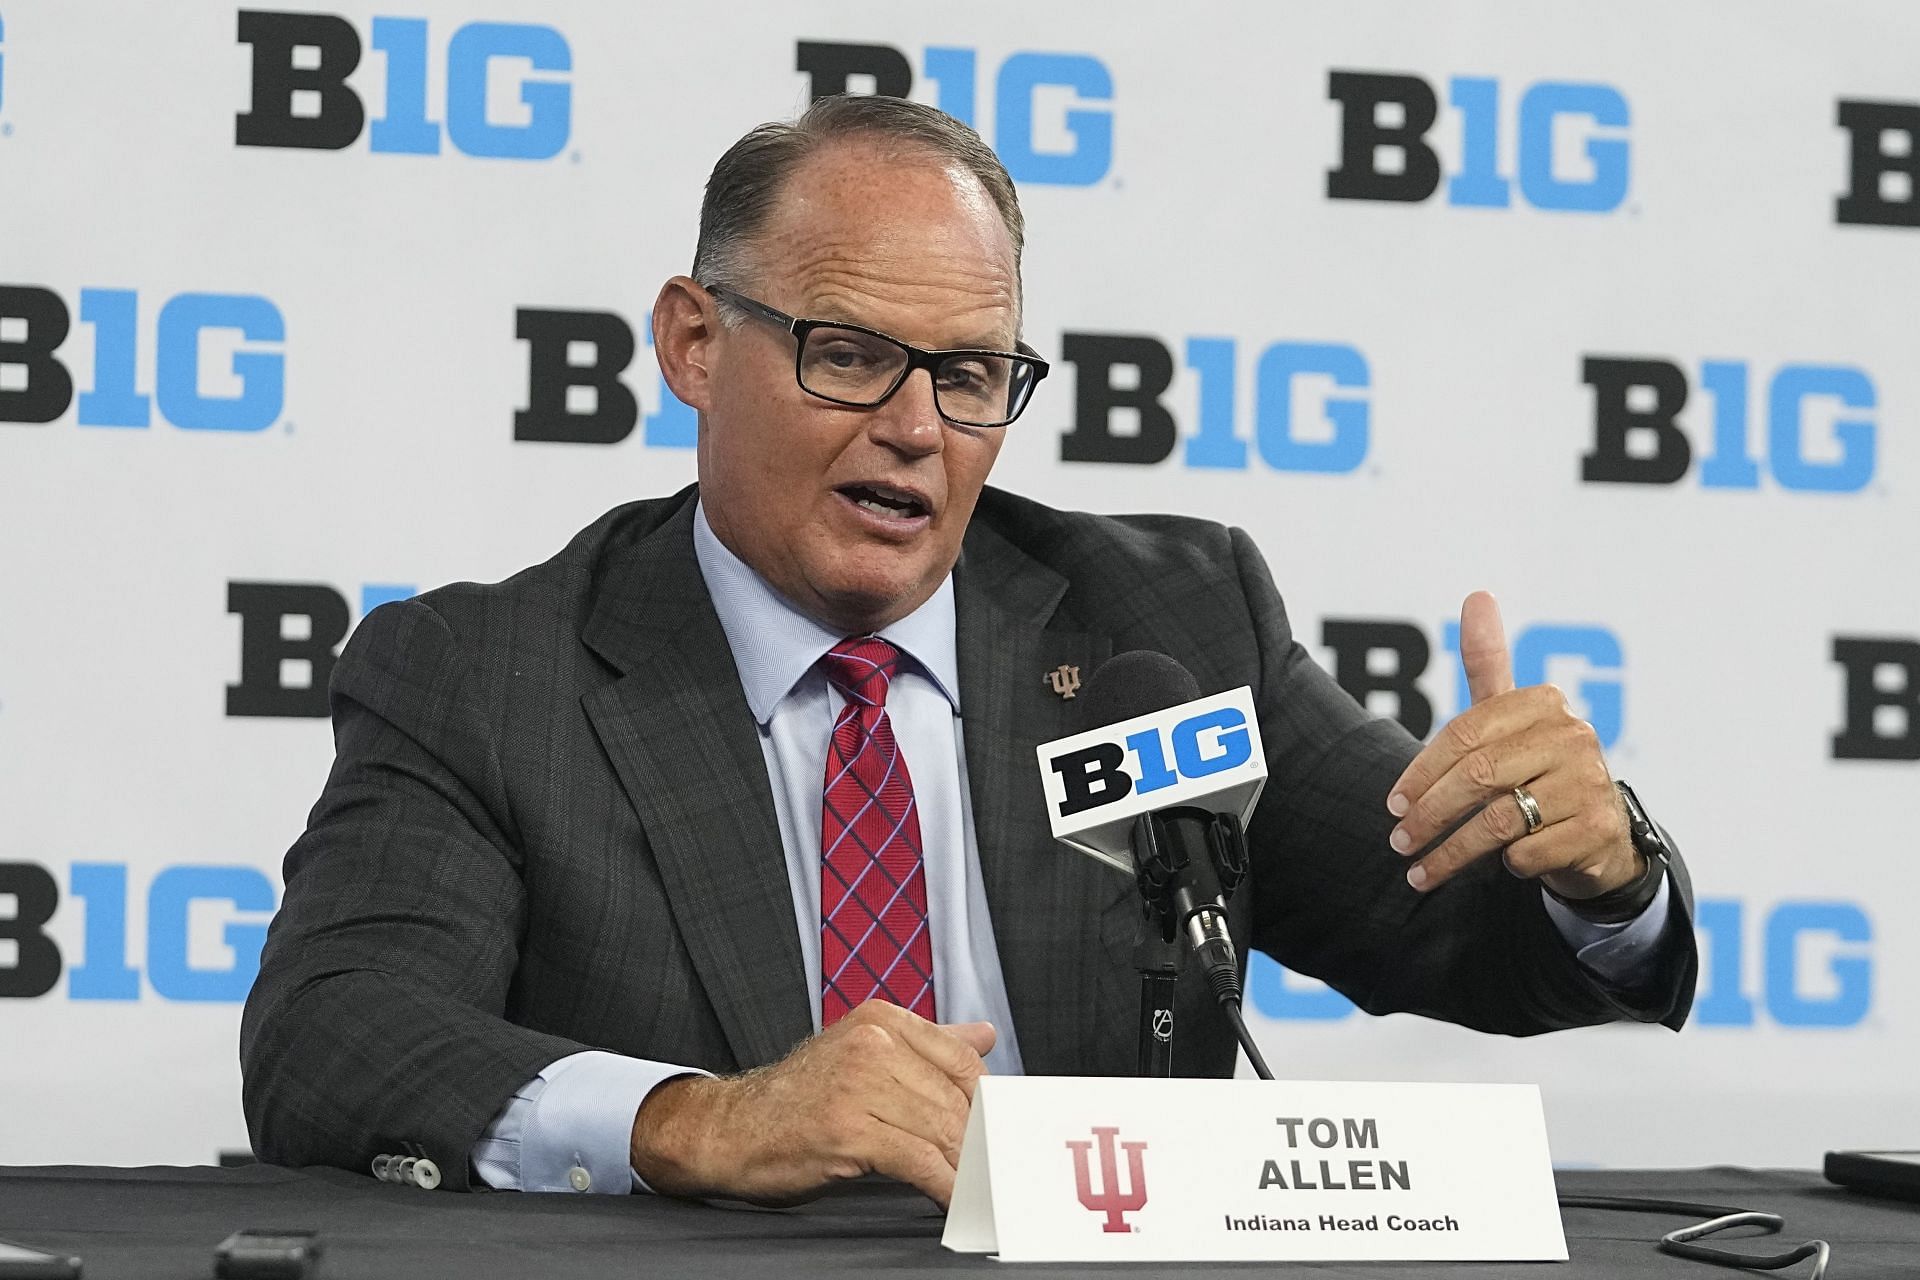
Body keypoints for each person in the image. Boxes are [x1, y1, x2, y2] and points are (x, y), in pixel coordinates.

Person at [240, 94, 1696, 1208]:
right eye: (851, 354)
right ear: (694, 344)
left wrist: (1596, 875)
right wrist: (700, 1120)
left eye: (973, 375)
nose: (920, 428)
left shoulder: (1164, 627)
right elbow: (334, 1035)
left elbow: (1459, 937)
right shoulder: (490, 676)